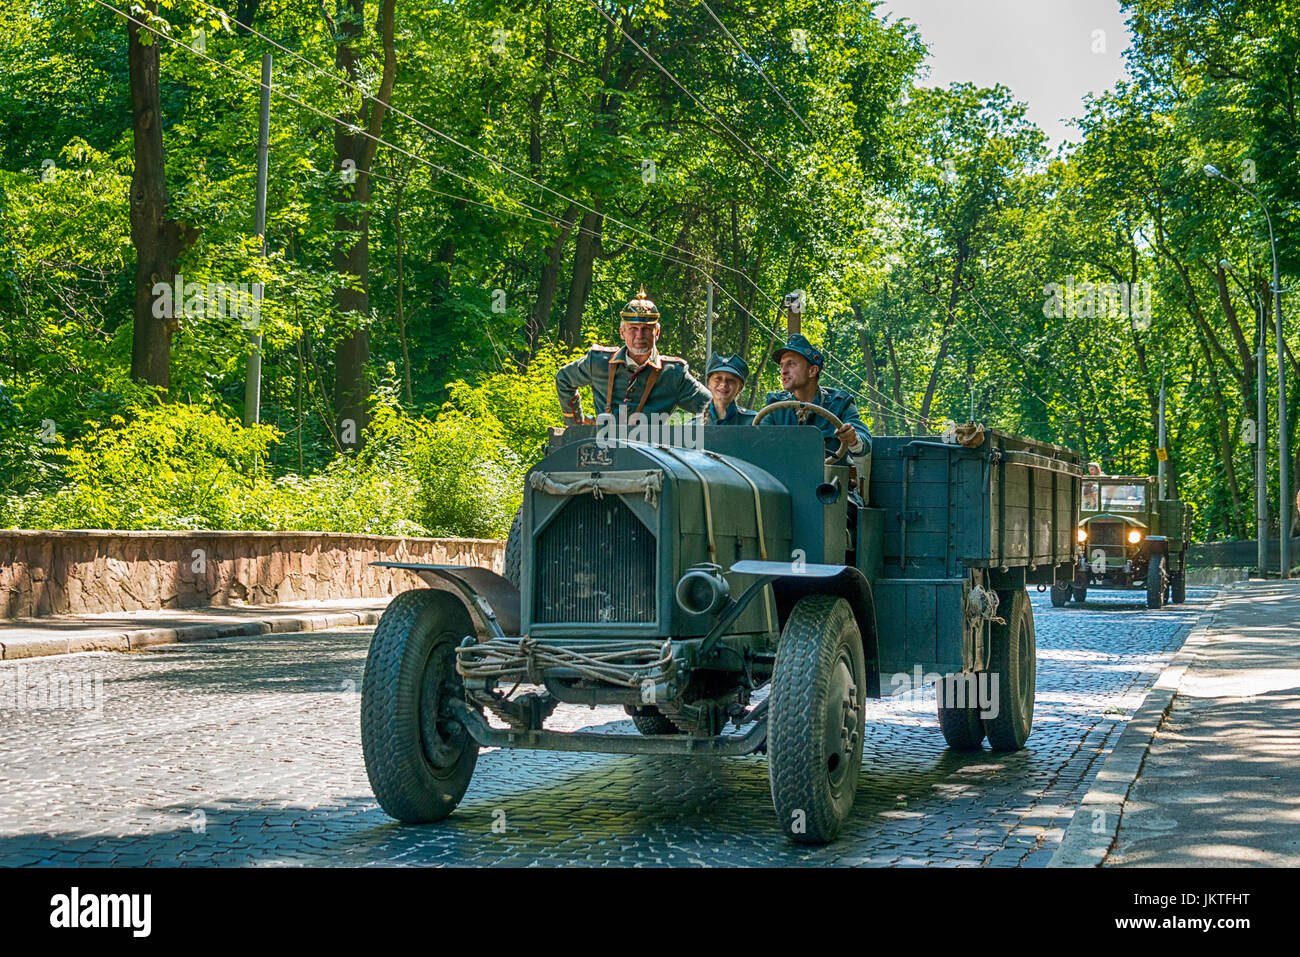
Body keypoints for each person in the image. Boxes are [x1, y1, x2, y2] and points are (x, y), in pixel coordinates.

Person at [554, 288, 710, 423]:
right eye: (633, 328)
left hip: (650, 454)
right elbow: (564, 379)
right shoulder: (599, 361)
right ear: (622, 332)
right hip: (605, 452)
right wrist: (576, 425)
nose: (639, 335)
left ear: (657, 333)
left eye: (647, 329)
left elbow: (714, 407)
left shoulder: (674, 374)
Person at [759, 333, 870, 458]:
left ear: (812, 371)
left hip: (829, 476)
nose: (783, 371)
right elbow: (760, 443)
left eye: (791, 364)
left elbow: (863, 440)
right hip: (783, 476)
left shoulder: (839, 404)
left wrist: (852, 439)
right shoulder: (776, 407)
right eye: (781, 365)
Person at [701, 353, 756, 425]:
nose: (723, 384)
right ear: (709, 383)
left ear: (740, 387)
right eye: (718, 379)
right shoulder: (694, 426)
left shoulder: (754, 423)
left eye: (730, 380)